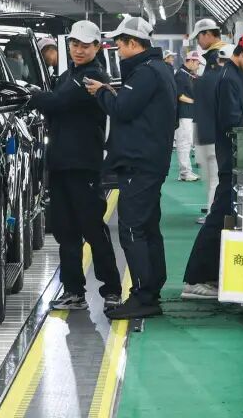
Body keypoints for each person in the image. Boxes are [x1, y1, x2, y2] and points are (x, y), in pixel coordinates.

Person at [84, 16, 177, 320]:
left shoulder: (146, 72)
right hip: (150, 160)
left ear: (133, 43)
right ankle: (151, 290)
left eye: (120, 44)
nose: (118, 50)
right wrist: (112, 91)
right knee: (148, 228)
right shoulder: (159, 69)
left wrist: (101, 93)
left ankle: (142, 295)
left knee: (133, 229)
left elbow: (123, 109)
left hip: (139, 163)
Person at [27, 21, 122, 312]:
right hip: (61, 165)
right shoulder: (68, 75)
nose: (79, 50)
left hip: (83, 165)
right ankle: (73, 291)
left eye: (85, 45)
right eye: (75, 44)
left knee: (92, 228)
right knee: (66, 232)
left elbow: (57, 102)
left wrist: (28, 94)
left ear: (97, 47)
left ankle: (112, 290)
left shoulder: (93, 77)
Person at [182, 33, 243, 300]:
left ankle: (210, 275)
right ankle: (195, 280)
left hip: (235, 157)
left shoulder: (236, 76)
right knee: (217, 219)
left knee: (222, 218)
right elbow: (231, 120)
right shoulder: (229, 79)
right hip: (229, 159)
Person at [190, 19, 229, 219]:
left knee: (215, 179)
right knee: (212, 178)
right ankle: (214, 212)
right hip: (210, 129)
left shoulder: (219, 57)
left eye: (199, 37)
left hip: (214, 130)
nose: (198, 41)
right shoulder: (214, 59)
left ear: (207, 34)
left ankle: (214, 216)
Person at [174, 51, 203, 182]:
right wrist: (195, 102)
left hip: (188, 113)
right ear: (190, 61)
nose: (198, 66)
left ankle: (187, 171)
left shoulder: (187, 74)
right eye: (197, 63)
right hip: (183, 114)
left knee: (187, 143)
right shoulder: (181, 75)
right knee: (184, 143)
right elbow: (179, 95)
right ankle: (184, 173)